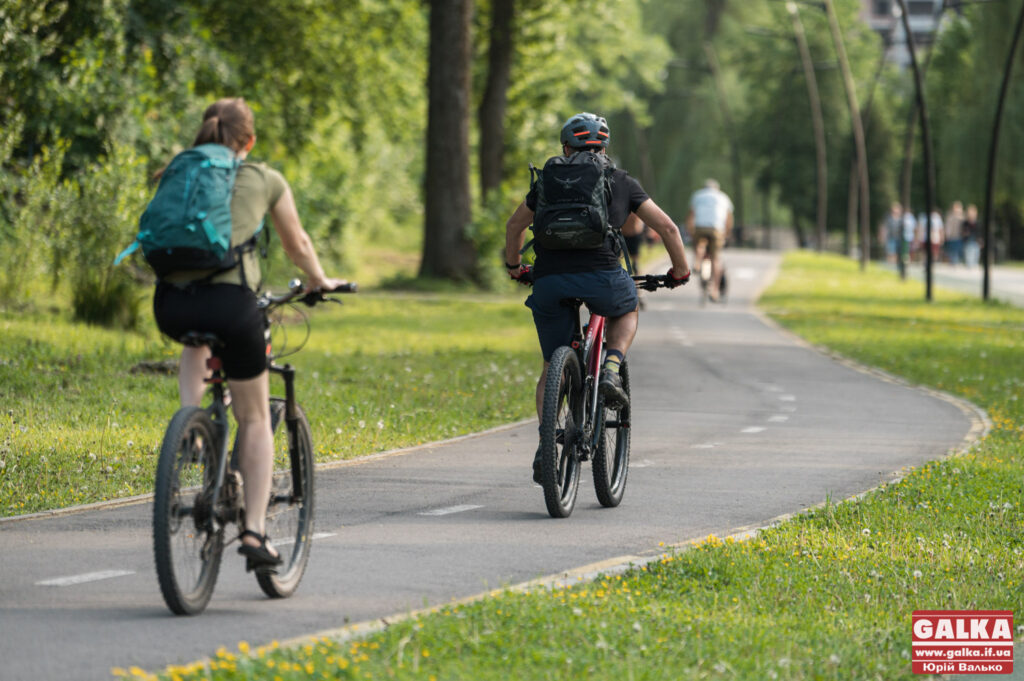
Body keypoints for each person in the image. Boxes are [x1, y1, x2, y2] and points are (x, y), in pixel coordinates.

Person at [151, 98, 345, 570]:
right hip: (232, 306)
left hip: (170, 303)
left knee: (196, 338)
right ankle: (256, 534)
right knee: (255, 418)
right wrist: (320, 280)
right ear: (249, 141)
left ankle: (190, 426)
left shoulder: (181, 168)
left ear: (205, 131)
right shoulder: (263, 177)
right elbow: (296, 243)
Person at [503, 112, 691, 484]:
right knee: (627, 309)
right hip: (603, 277)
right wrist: (679, 272)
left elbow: (514, 226)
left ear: (565, 147)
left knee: (549, 366)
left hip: (550, 280)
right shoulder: (619, 180)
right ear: (604, 148)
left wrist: (515, 266)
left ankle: (546, 444)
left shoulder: (549, 180)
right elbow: (667, 227)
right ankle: (611, 367)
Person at [685, 179, 733, 302]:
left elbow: (691, 215)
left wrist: (691, 232)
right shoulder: (723, 197)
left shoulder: (697, 195)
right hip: (716, 229)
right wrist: (726, 234)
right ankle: (715, 290)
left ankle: (697, 262)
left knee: (699, 243)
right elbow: (728, 219)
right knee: (716, 259)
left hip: (700, 227)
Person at [944, 201, 965, 265]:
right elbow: (948, 228)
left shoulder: (963, 217)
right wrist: (947, 235)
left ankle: (955, 262)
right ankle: (954, 263)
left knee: (957, 252)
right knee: (952, 252)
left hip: (959, 238)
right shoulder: (950, 217)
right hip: (952, 238)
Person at [963, 203, 980, 268]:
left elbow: (979, 232)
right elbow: (963, 231)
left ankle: (974, 264)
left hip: (975, 240)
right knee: (968, 252)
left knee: (976, 252)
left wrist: (980, 240)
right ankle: (969, 264)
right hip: (968, 240)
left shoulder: (977, 222)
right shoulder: (965, 223)